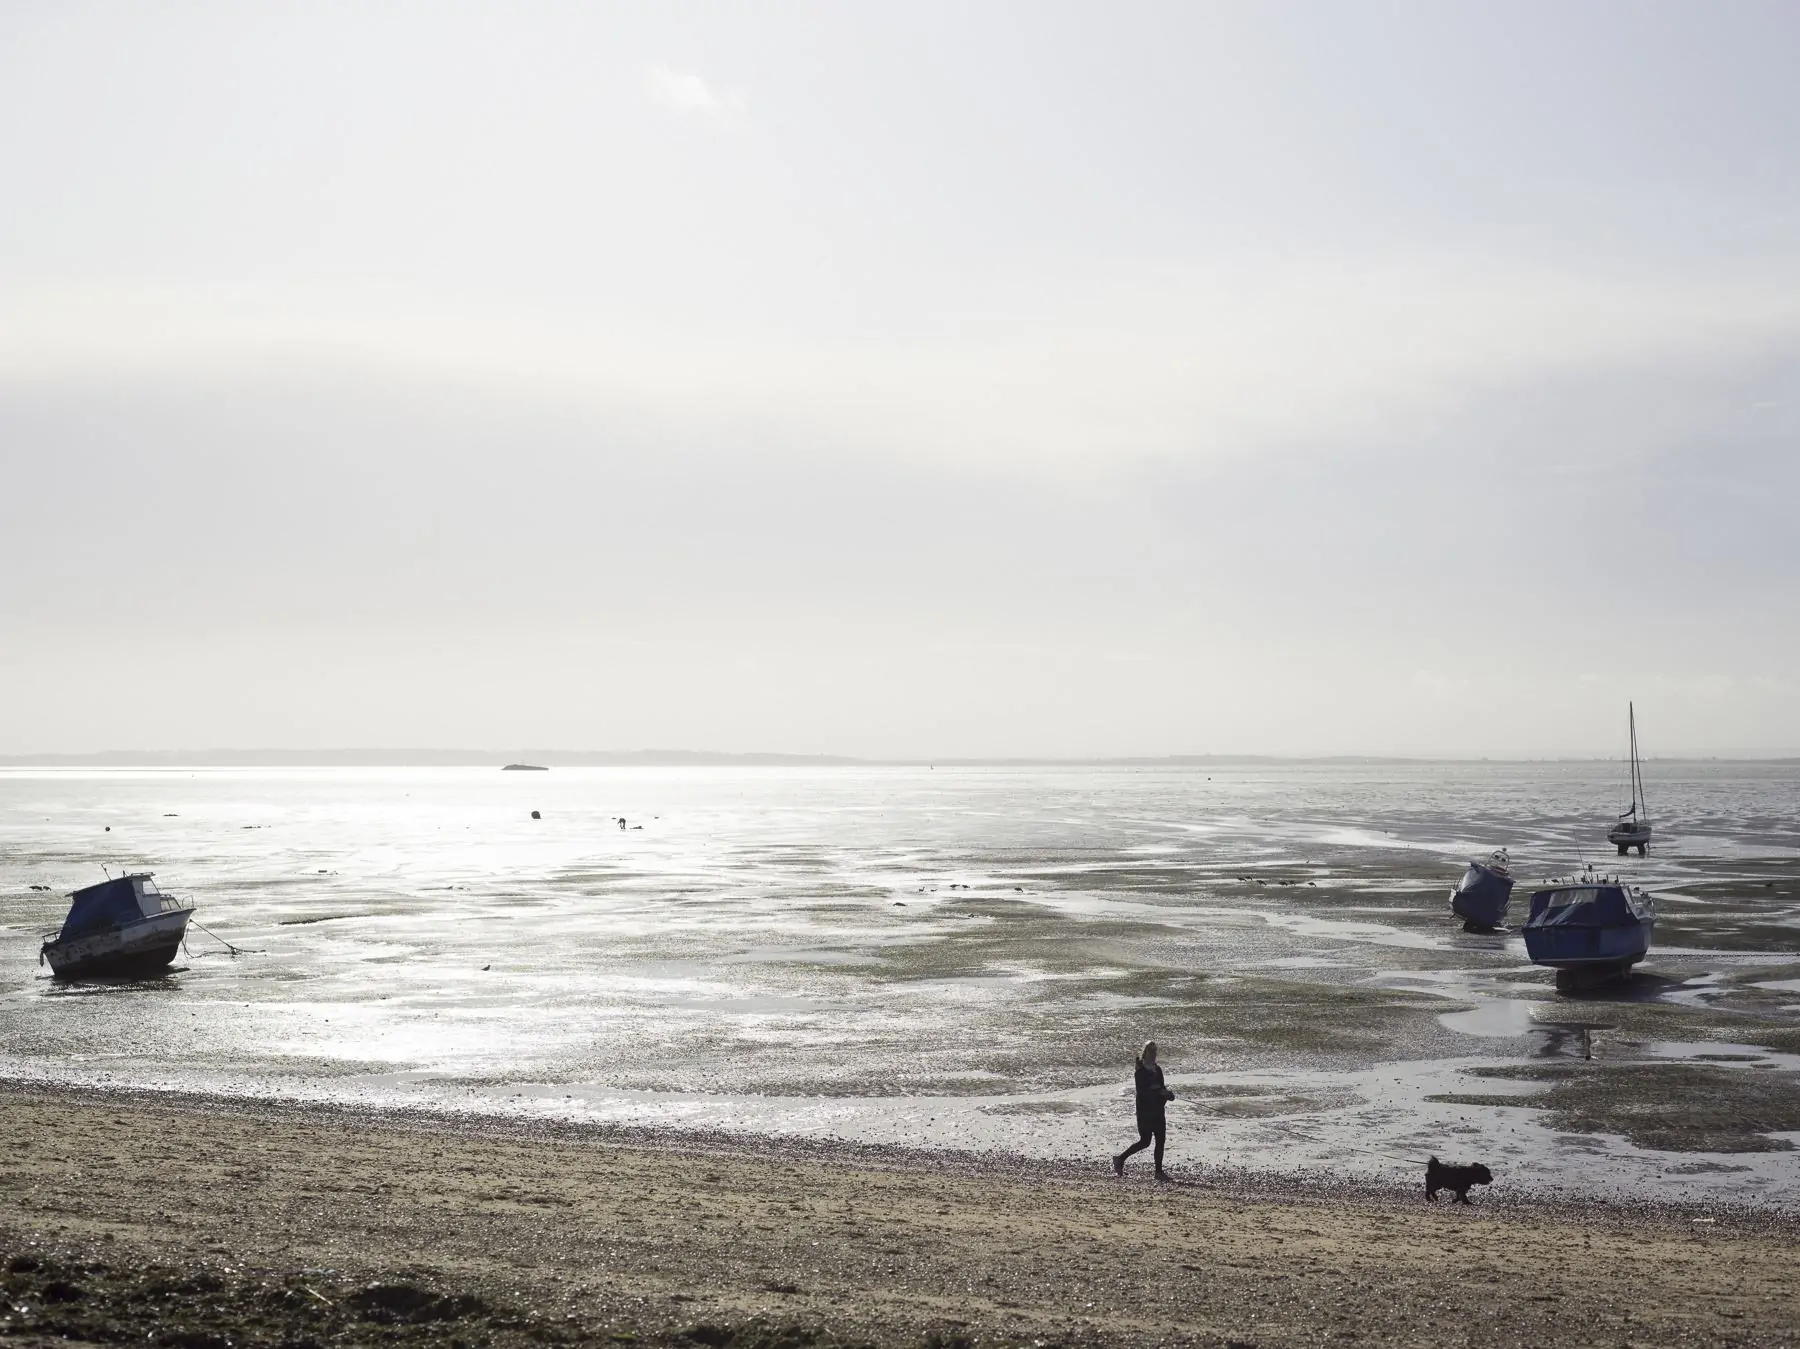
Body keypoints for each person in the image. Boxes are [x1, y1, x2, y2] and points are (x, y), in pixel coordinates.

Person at [1112, 1040, 1174, 1180]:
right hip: (1145, 1112)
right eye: (1150, 1051)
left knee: (1161, 1140)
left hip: (1158, 1110)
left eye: (1155, 1051)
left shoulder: (1157, 1070)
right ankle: (1120, 1159)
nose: (1153, 1054)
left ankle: (1158, 1172)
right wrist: (1159, 1093)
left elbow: (1161, 1088)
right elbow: (1143, 1092)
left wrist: (1168, 1095)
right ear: (1145, 1053)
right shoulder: (1140, 1072)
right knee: (1145, 1142)